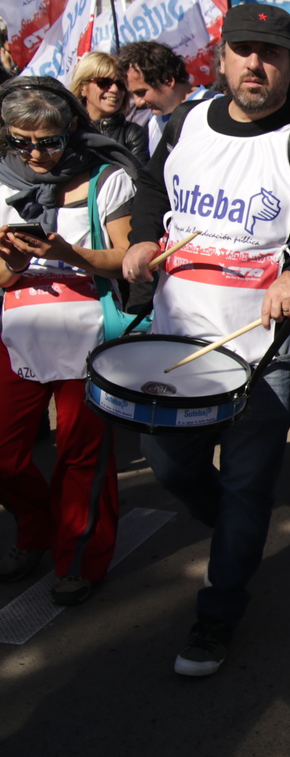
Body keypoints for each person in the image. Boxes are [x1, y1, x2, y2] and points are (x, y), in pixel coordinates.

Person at [120, 3, 290, 677]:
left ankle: (217, 611)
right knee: (166, 460)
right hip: (176, 342)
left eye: (271, 53)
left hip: (263, 352)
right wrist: (143, 238)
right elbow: (152, 188)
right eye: (242, 49)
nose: (254, 63)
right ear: (222, 58)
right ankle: (237, 525)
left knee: (246, 484)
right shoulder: (184, 123)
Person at [0, 77, 143, 606]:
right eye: (21, 142)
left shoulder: (107, 178)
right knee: (4, 454)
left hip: (88, 333)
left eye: (49, 141)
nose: (35, 154)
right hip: (17, 334)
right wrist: (15, 262)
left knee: (81, 455)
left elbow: (127, 260)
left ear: (71, 130)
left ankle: (78, 559)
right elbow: (2, 277)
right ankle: (37, 526)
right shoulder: (1, 179)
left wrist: (68, 253)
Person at [117, 40, 215, 156]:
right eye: (133, 94)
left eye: (142, 92)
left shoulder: (215, 108)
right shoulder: (154, 119)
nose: (138, 102)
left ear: (167, 80)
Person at [69, 52, 148, 163]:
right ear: (82, 88)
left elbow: (138, 173)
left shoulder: (132, 134)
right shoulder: (67, 130)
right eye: (104, 82)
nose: (114, 89)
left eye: (120, 84)